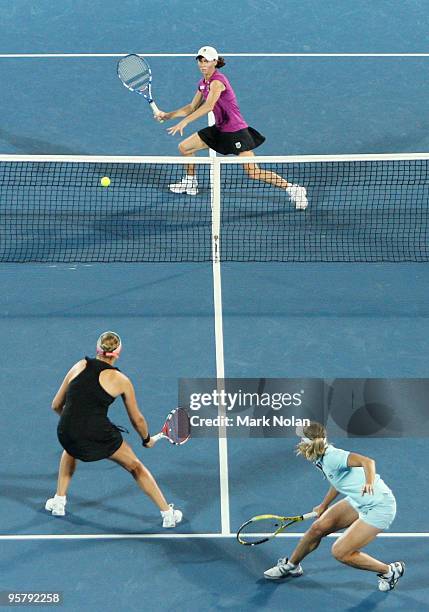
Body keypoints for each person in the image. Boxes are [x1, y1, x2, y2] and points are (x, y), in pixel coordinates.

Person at [45, 331, 182, 528]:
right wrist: (146, 439)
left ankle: (59, 501)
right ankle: (168, 514)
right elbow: (137, 419)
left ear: (97, 349)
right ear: (117, 354)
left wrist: (74, 423)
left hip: (65, 432)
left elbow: (56, 405)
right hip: (97, 435)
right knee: (135, 466)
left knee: (71, 448)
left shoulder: (79, 366)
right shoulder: (121, 380)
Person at [155, 46, 308, 210]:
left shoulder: (217, 82)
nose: (202, 64)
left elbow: (209, 106)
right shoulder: (203, 83)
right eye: (200, 60)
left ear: (215, 62)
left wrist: (185, 122)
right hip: (219, 129)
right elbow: (192, 107)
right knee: (184, 147)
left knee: (253, 172)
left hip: (236, 132)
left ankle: (293, 189)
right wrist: (168, 115)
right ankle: (190, 182)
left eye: (206, 61)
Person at [264, 422, 404, 592]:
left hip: (379, 507)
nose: (299, 441)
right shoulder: (320, 457)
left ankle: (389, 572)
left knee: (341, 552)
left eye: (301, 438)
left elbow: (368, 462)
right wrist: (324, 505)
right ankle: (291, 565)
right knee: (317, 528)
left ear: (307, 442)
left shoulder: (333, 457)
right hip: (358, 499)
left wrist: (368, 483)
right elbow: (337, 481)